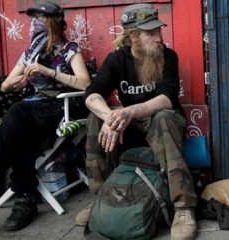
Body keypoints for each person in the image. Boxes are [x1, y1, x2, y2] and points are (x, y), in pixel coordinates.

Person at [0, 1, 91, 231]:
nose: (34, 24)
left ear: (53, 23)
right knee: (18, 124)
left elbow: (85, 83)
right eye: (32, 20)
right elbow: (5, 87)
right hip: (30, 110)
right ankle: (24, 198)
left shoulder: (69, 49)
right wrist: (14, 83)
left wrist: (48, 71)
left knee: (18, 112)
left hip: (58, 105)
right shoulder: (29, 53)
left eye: (40, 19)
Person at [74, 3, 197, 240]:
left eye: (158, 30)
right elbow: (92, 93)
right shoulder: (116, 60)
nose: (158, 37)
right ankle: (102, 198)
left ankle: (184, 207)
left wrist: (127, 112)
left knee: (161, 116)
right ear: (133, 36)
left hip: (163, 125)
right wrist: (109, 116)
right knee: (95, 119)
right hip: (129, 129)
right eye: (150, 33)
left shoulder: (168, 56)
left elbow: (166, 98)